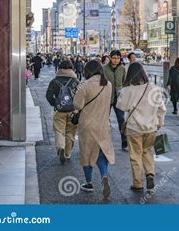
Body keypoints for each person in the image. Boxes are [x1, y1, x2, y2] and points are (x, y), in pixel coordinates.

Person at [116, 62, 166, 192]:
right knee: (147, 151)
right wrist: (160, 122)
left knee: (135, 155)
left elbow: (121, 106)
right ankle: (150, 173)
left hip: (134, 128)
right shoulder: (154, 88)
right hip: (151, 128)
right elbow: (161, 109)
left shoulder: (128, 90)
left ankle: (138, 183)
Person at [74, 60, 115, 199]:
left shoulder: (84, 85)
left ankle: (89, 183)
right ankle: (104, 176)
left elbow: (77, 105)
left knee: (87, 153)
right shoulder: (108, 84)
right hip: (103, 124)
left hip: (87, 125)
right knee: (101, 153)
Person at [46, 59, 80, 164]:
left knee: (59, 130)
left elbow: (48, 96)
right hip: (72, 110)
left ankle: (60, 147)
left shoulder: (54, 81)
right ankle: (67, 153)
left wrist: (55, 104)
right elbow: (80, 96)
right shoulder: (76, 81)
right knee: (70, 131)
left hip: (60, 110)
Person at [103, 50, 128, 150]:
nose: (116, 60)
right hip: (107, 97)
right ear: (110, 57)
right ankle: (104, 142)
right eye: (114, 58)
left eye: (118, 58)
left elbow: (124, 82)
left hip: (119, 98)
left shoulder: (122, 69)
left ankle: (124, 140)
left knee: (121, 119)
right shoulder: (104, 69)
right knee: (104, 120)